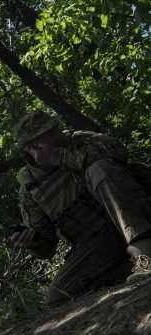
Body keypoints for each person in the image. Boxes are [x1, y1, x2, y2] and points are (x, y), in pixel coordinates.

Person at [10, 111, 151, 305]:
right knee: (57, 298)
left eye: (54, 130)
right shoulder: (31, 187)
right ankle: (126, 268)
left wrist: (59, 157)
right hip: (98, 242)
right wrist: (31, 240)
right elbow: (46, 248)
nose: (56, 135)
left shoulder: (82, 140)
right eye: (47, 135)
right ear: (30, 148)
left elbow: (117, 152)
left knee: (99, 169)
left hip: (138, 217)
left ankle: (145, 257)